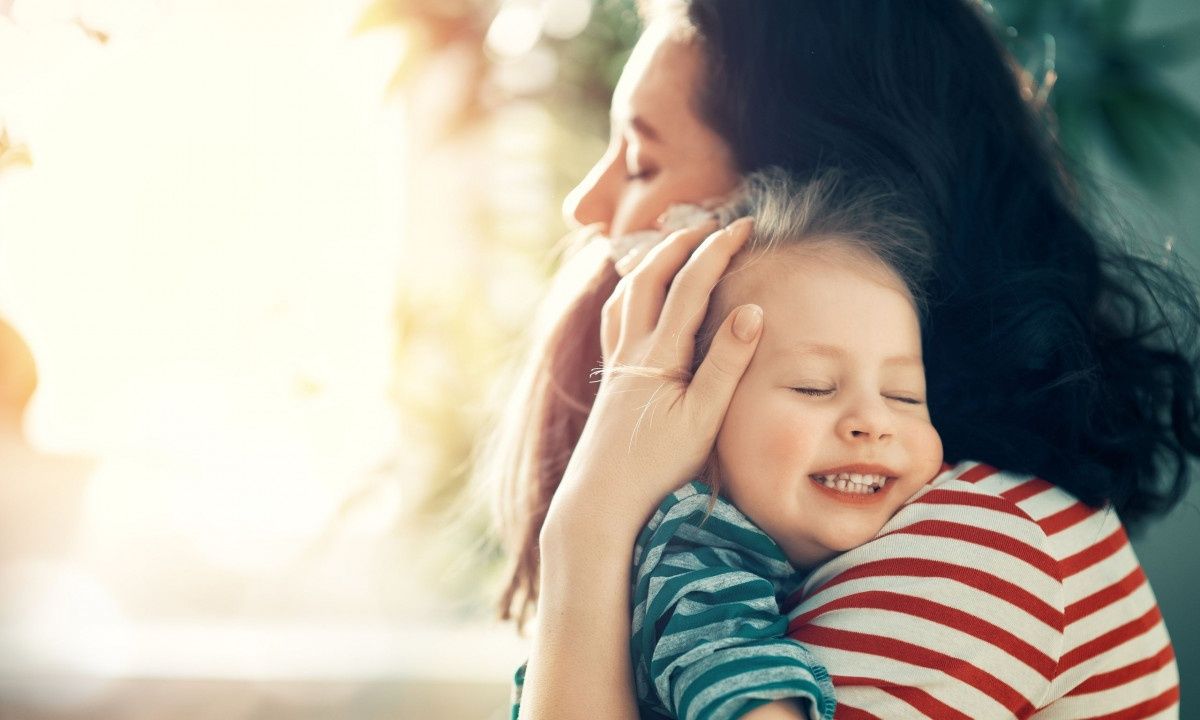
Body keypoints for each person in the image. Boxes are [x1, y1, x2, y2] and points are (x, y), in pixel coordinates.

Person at [485, 0, 1199, 716]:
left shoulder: (975, 550)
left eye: (642, 162)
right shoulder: (749, 558)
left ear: (807, 211)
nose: (585, 204)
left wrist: (588, 524)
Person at [512, 170, 944, 719]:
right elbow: (730, 669)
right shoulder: (694, 574)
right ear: (698, 420)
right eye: (813, 386)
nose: (874, 421)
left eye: (904, 396)